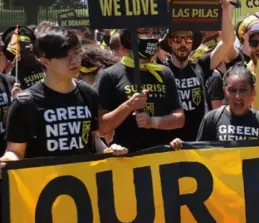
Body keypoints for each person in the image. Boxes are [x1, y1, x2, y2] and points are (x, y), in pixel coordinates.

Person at [0, 27, 127, 163]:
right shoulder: (24, 104)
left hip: (84, 180)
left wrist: (109, 151)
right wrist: (6, 161)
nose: (74, 60)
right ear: (45, 61)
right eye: (64, 55)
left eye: (77, 53)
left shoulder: (89, 94)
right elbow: (15, 151)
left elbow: (92, 138)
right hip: (43, 182)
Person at [96, 28, 184, 153]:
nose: (152, 37)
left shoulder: (164, 73)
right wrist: (129, 105)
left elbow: (179, 118)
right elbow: (102, 128)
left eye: (154, 33)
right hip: (126, 156)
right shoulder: (110, 75)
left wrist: (153, 122)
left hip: (162, 155)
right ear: (129, 39)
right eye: (145, 32)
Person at [170, 66, 259, 147]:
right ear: (224, 91)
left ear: (252, 91)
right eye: (232, 90)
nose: (238, 96)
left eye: (243, 90)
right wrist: (180, 146)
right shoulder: (211, 119)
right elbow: (197, 154)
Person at [1, 25, 45, 92]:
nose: (27, 47)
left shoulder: (45, 64)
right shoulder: (12, 75)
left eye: (28, 43)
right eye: (22, 44)